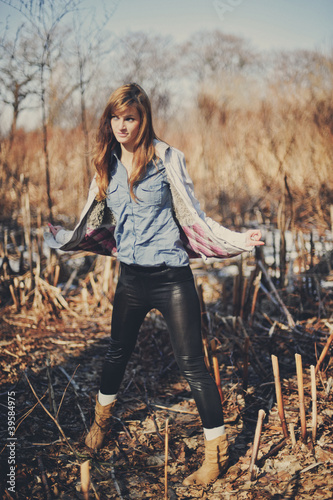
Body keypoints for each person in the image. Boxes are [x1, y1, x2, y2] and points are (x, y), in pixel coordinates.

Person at [46, 83, 264, 487]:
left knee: (193, 366)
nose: (122, 125)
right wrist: (64, 237)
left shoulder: (167, 159)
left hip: (171, 279)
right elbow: (91, 219)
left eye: (129, 118)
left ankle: (216, 455)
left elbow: (194, 215)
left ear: (142, 119)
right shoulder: (105, 164)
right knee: (116, 353)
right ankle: (101, 424)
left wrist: (238, 239)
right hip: (131, 279)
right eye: (116, 117)